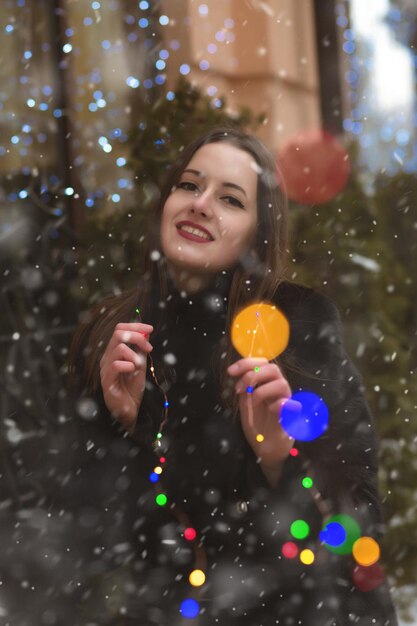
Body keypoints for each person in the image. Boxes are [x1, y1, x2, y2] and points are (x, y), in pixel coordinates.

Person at [68, 127, 398, 625]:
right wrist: (127, 424)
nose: (200, 205)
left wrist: (276, 460)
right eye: (189, 185)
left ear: (256, 235)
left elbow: (356, 522)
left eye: (230, 199)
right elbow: (77, 532)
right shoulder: (111, 337)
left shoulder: (298, 328)